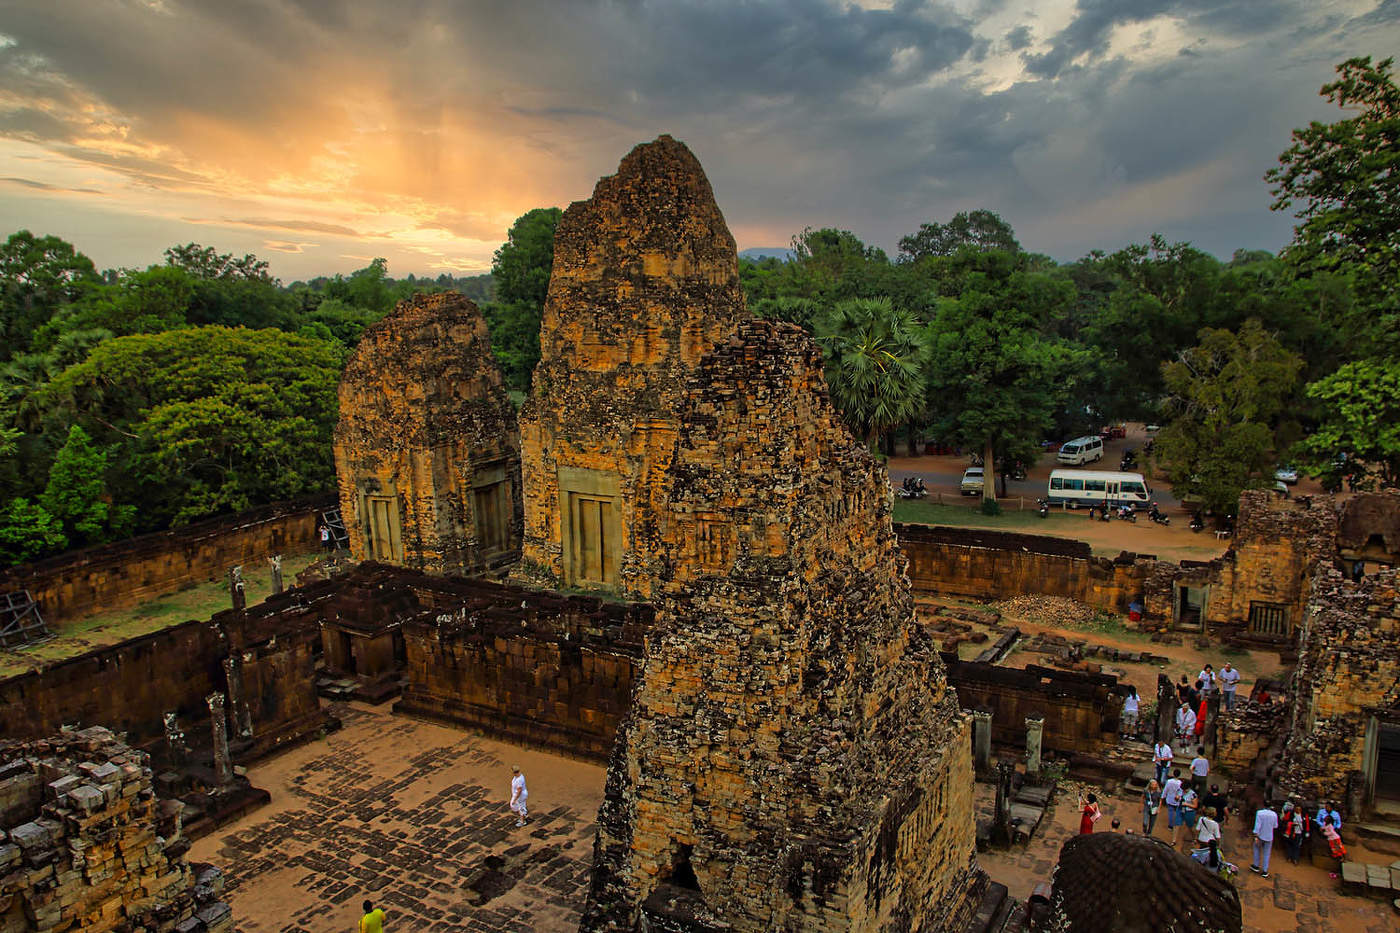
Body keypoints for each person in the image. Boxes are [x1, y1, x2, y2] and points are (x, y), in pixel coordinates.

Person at [1250, 803, 1279, 878]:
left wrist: (1255, 834)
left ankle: (1256, 865)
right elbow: (1275, 826)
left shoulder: (1259, 813)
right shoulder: (1274, 814)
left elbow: (1257, 825)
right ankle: (1265, 871)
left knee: (1256, 849)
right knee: (1267, 853)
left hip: (1260, 835)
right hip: (1269, 836)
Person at [1163, 769, 1185, 846]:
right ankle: (1175, 824)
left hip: (1170, 798)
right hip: (1177, 799)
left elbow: (1166, 789)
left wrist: (1163, 796)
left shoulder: (1169, 781)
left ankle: (1171, 825)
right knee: (1176, 812)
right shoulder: (1180, 783)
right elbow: (1181, 792)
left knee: (1170, 812)